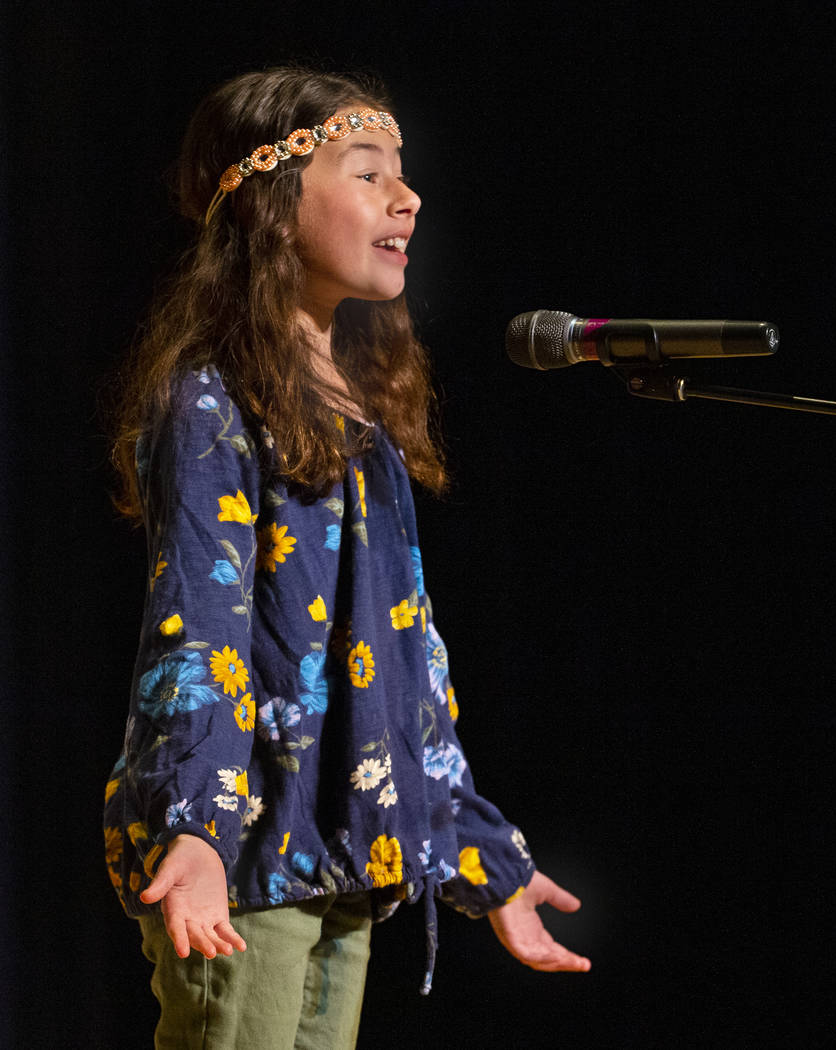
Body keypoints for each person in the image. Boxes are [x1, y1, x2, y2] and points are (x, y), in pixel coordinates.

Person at [103, 65, 590, 1049]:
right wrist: (194, 828)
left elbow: (407, 658)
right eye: (367, 173)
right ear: (277, 209)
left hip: (348, 858)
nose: (405, 197)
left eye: (401, 175)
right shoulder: (210, 402)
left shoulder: (360, 415)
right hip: (247, 861)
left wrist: (472, 849)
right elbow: (199, 630)